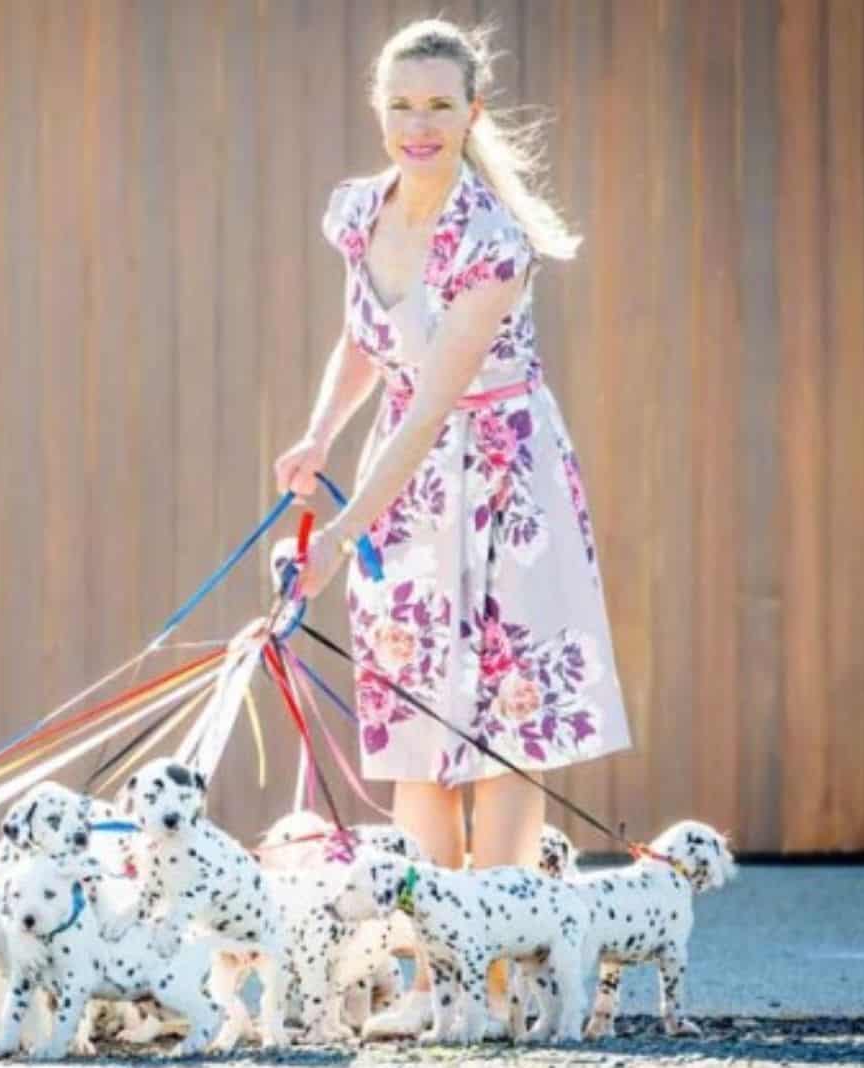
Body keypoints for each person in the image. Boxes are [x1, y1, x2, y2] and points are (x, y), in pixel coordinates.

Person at [276, 17, 632, 1033]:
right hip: (409, 486)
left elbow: (435, 398)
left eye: (438, 106)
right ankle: (432, 981)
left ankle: (495, 981)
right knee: (414, 729)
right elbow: (364, 341)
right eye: (399, 104)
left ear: (472, 113)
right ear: (375, 108)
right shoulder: (360, 212)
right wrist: (314, 438)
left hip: (502, 485)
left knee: (498, 731)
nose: (416, 125)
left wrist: (341, 536)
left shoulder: (493, 240)